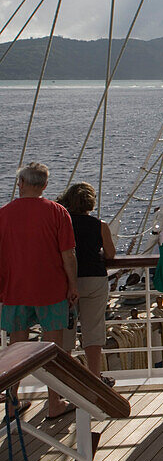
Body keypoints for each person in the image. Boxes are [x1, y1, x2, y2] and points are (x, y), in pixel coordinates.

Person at [0, 163, 79, 420]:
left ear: (21, 184)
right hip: (51, 289)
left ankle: (12, 400)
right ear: (45, 185)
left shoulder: (4, 214)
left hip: (15, 289)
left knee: (16, 348)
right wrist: (73, 286)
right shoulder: (57, 212)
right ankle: (54, 402)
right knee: (51, 348)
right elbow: (68, 255)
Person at [58, 182, 117, 386]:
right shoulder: (100, 226)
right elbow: (110, 254)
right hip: (94, 279)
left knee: (66, 334)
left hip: (68, 281)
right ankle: (94, 377)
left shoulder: (62, 223)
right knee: (93, 330)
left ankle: (65, 379)